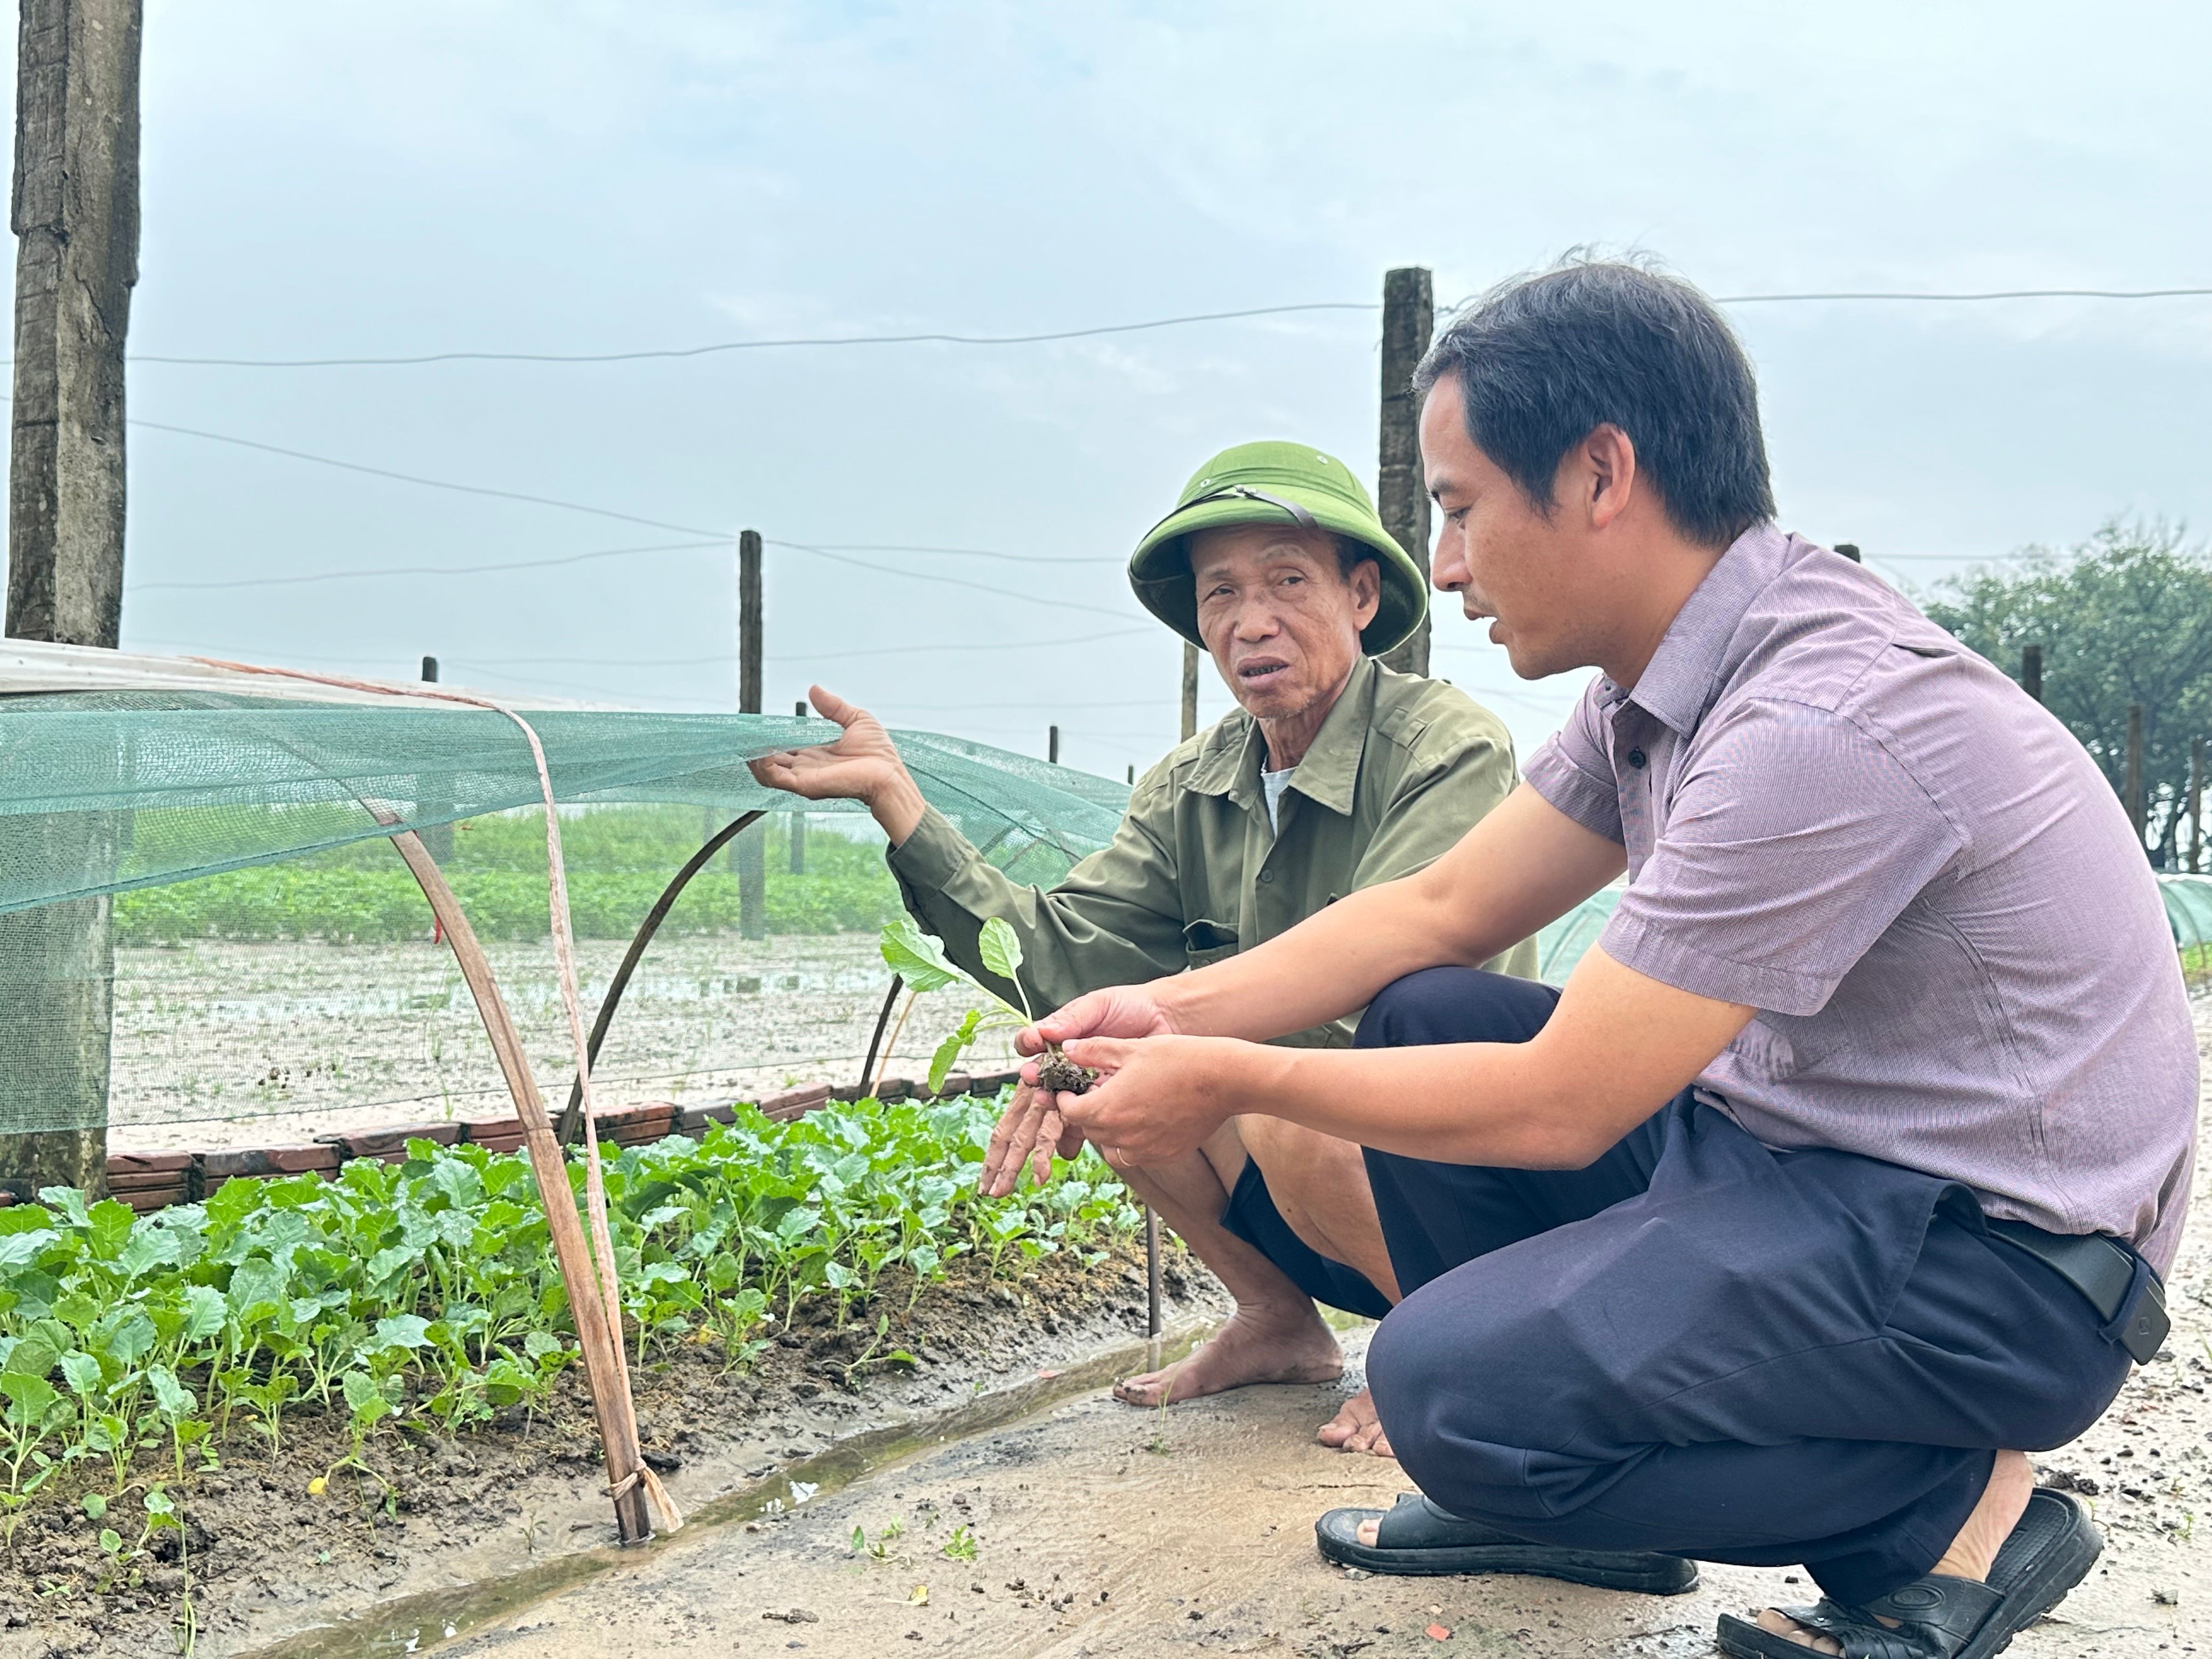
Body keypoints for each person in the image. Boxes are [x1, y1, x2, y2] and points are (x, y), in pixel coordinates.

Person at [1018, 262, 2198, 1659]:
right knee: (1428, 1008)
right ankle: (1588, 1508)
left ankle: (1946, 1512)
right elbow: (1442, 905)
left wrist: (1218, 1074)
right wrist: (1163, 1012)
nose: (1444, 569)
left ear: (1598, 473)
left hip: (1992, 1267)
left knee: (1445, 1389)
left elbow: (1562, 1104)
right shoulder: (1660, 687)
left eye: (1458, 510)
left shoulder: (1815, 717)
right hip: (1815, 1169)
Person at [749, 440, 1536, 1457]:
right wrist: (899, 804)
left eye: (1287, 581)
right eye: (1220, 595)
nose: (1251, 622)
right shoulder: (1191, 784)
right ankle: (1276, 1322)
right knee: (1093, 1073)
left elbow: (1374, 990)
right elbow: (1060, 952)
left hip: (1452, 1175)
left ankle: (1447, 1349)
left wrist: (1194, 1049)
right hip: (1304, 1176)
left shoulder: (1445, 747)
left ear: (1363, 594)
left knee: (1284, 1096)